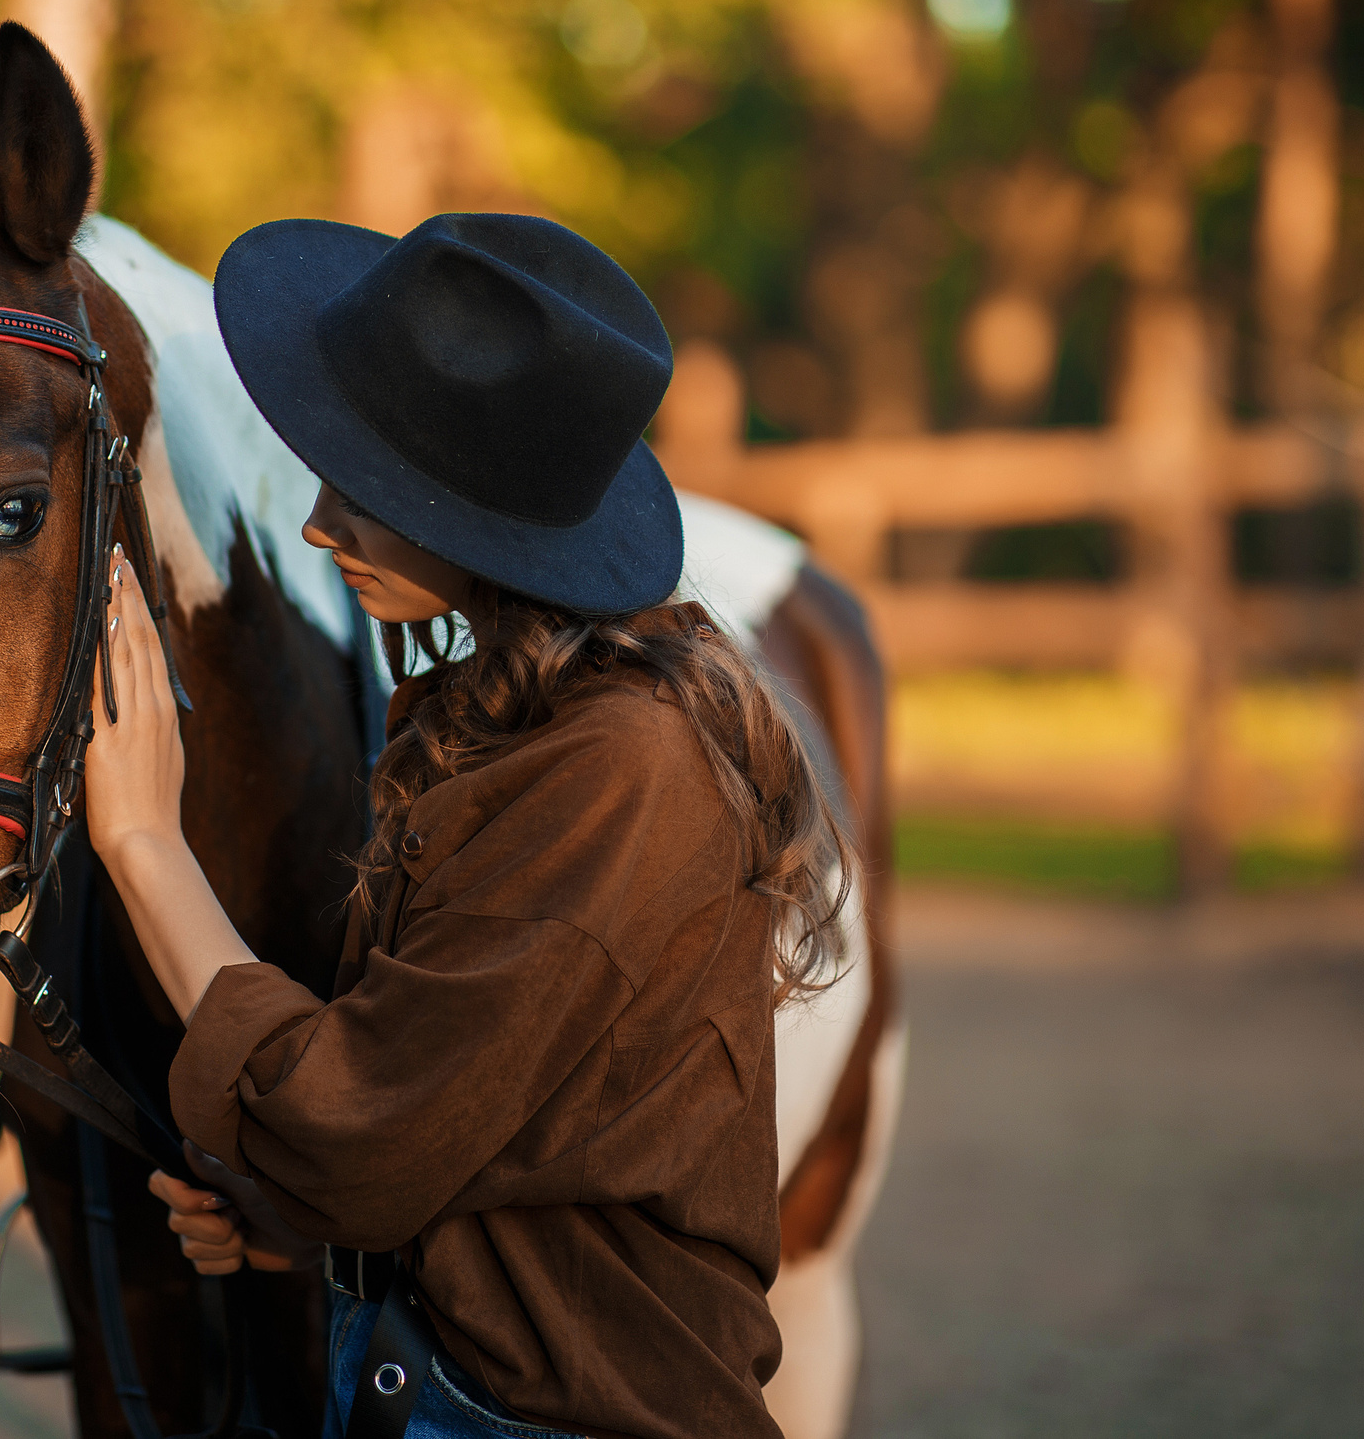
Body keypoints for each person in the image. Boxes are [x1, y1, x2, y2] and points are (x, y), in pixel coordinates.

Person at [84, 213, 851, 1439]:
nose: (321, 526)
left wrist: (142, 846)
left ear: (489, 523)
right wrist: (303, 1228)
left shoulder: (618, 772)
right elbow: (495, 1109)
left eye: (369, 491)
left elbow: (358, 1123)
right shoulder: (524, 719)